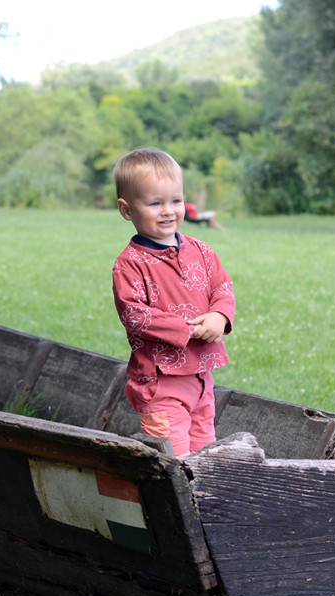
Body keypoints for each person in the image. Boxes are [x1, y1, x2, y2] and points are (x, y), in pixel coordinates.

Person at [111, 147, 236, 457]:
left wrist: (219, 315)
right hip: (160, 381)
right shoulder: (130, 264)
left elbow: (222, 286)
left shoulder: (202, 251)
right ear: (127, 210)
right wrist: (187, 329)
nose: (168, 211)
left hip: (201, 378)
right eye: (155, 203)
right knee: (174, 459)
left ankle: (200, 500)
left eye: (175, 201)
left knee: (203, 453)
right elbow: (134, 314)